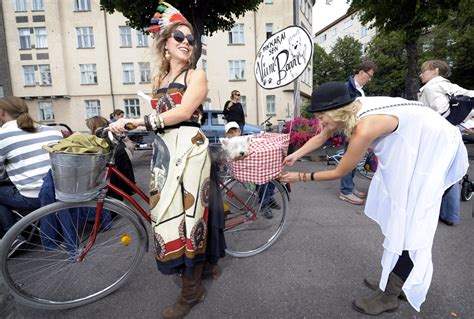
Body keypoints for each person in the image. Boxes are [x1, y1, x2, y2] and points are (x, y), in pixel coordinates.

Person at [280, 82, 468, 315]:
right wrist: (295, 155)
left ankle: (391, 294)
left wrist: (300, 176)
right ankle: (394, 275)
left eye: (321, 117)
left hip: (432, 147)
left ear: (336, 112)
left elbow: (339, 172)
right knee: (400, 214)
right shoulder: (348, 110)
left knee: (413, 221)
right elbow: (321, 137)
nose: (320, 123)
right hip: (416, 140)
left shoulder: (365, 127)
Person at [109, 4, 225, 318]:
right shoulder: (159, 77)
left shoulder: (196, 75)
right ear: (166, 44)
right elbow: (159, 117)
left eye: (191, 38)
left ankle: (191, 292)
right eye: (179, 36)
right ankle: (195, 270)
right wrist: (132, 125)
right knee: (165, 214)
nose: (187, 42)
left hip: (189, 147)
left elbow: (183, 113)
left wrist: (137, 122)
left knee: (191, 217)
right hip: (164, 150)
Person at [0, 96, 63, 251]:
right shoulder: (53, 131)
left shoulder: (3, 136)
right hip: (61, 192)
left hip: (35, 197)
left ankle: (12, 237)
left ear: (1, 112)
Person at [418, 59, 474, 226]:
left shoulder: (431, 87)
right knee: (451, 173)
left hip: (439, 136)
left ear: (435, 71)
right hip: (453, 135)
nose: (421, 74)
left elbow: (440, 113)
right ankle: (450, 214)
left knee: (436, 174)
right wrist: (466, 123)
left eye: (424, 71)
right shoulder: (449, 86)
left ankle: (439, 213)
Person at [339, 61, 378, 205]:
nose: (370, 79)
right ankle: (346, 191)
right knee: (350, 159)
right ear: (361, 72)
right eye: (369, 75)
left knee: (353, 160)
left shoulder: (356, 88)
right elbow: (344, 111)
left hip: (355, 128)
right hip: (350, 129)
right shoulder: (348, 87)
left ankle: (349, 187)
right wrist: (349, 130)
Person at [223, 122, 280, 219]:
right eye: (230, 133)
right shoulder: (228, 144)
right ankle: (264, 205)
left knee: (273, 173)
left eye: (235, 131)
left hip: (255, 165)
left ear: (239, 131)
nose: (233, 134)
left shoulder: (245, 140)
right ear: (226, 135)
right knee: (263, 179)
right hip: (244, 170)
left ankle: (269, 198)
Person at [86, 116, 136, 200]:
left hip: (111, 191)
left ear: (95, 128)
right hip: (119, 188)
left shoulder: (103, 145)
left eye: (90, 128)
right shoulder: (115, 141)